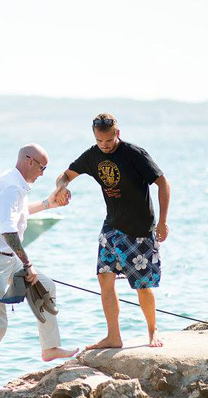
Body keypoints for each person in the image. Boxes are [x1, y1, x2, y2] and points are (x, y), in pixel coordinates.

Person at [0, 144, 79, 395]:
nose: (43, 173)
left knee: (46, 286)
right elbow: (8, 230)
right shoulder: (11, 186)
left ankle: (50, 348)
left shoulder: (16, 185)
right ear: (29, 161)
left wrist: (48, 204)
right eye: (42, 167)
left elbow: (19, 214)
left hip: (5, 259)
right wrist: (28, 264)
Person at [54, 113, 171, 349]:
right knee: (104, 279)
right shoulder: (93, 155)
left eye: (108, 140)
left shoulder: (134, 154)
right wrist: (62, 188)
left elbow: (163, 183)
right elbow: (65, 174)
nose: (104, 145)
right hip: (112, 226)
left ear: (117, 133)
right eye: (100, 141)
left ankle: (152, 330)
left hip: (139, 228)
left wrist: (162, 222)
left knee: (142, 285)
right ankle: (114, 337)